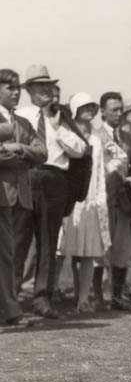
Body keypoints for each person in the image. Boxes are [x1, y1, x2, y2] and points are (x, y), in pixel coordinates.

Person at [15, 64, 87, 318]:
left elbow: (80, 150)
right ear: (29, 90)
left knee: (48, 241)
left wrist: (58, 130)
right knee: (18, 239)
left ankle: (42, 298)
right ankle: (10, 298)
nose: (46, 89)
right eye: (39, 85)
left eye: (48, 85)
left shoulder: (62, 118)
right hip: (25, 177)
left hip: (55, 179)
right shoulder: (19, 114)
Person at [0, 69, 47, 326]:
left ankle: (9, 306)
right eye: (10, 88)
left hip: (21, 196)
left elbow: (42, 153)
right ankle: (10, 309)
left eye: (18, 88)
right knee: (6, 255)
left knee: (13, 255)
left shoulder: (24, 124)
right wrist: (18, 156)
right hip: (2, 195)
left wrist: (17, 147)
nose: (16, 92)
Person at [60, 93, 111, 313]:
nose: (89, 110)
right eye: (84, 106)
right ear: (75, 110)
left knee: (88, 253)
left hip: (91, 200)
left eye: (92, 106)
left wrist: (100, 199)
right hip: (69, 201)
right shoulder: (67, 134)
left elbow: (99, 172)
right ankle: (49, 294)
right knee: (61, 251)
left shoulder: (97, 140)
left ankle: (83, 299)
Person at [95, 92, 131, 310]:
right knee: (100, 250)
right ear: (102, 111)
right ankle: (98, 297)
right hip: (101, 201)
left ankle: (117, 296)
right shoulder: (94, 136)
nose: (119, 113)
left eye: (121, 109)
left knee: (122, 250)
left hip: (123, 202)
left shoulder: (130, 139)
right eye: (114, 109)